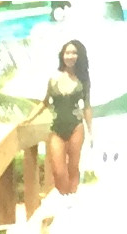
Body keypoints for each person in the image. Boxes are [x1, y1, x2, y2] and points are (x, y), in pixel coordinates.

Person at [43, 37, 92, 196]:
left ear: (79, 56)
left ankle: (71, 200)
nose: (70, 56)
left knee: (73, 167)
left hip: (76, 126)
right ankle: (65, 196)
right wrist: (28, 119)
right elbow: (45, 102)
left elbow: (87, 106)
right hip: (56, 128)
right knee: (58, 171)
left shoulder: (83, 80)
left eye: (74, 53)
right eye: (67, 52)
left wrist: (91, 132)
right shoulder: (53, 79)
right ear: (62, 55)